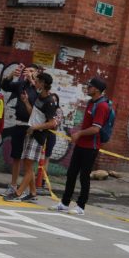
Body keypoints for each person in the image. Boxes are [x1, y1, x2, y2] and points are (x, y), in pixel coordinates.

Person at [53, 77, 110, 215]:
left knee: (84, 177)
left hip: (91, 147)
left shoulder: (102, 106)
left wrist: (79, 134)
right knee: (71, 174)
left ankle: (81, 206)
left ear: (96, 89)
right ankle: (65, 203)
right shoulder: (91, 102)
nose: (87, 88)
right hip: (81, 145)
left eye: (90, 86)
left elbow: (96, 129)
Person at [4, 72, 58, 203]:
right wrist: (26, 101)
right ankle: (33, 193)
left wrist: (35, 127)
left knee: (28, 166)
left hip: (38, 136)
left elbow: (52, 123)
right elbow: (33, 114)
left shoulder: (50, 101)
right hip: (31, 133)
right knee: (27, 165)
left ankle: (18, 193)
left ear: (43, 84)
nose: (35, 83)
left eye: (38, 81)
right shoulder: (39, 97)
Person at [0, 63, 40, 197]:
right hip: (19, 124)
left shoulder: (39, 88)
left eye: (31, 71)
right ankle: (13, 185)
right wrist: (12, 74)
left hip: (31, 128)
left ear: (37, 73)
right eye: (26, 71)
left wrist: (33, 82)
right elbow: (5, 86)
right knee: (16, 157)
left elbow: (39, 99)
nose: (28, 73)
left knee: (28, 161)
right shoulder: (21, 85)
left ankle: (30, 190)